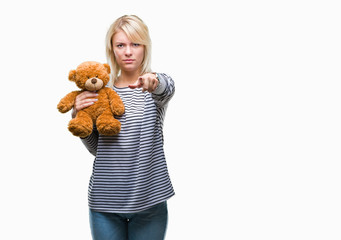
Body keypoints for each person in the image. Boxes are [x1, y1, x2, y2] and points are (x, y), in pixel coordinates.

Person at [71, 15, 175, 240]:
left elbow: (167, 87)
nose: (128, 52)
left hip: (150, 201)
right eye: (121, 45)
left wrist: (154, 80)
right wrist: (80, 118)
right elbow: (98, 150)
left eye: (135, 44)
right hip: (105, 202)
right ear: (112, 49)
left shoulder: (154, 90)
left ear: (145, 47)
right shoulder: (99, 94)